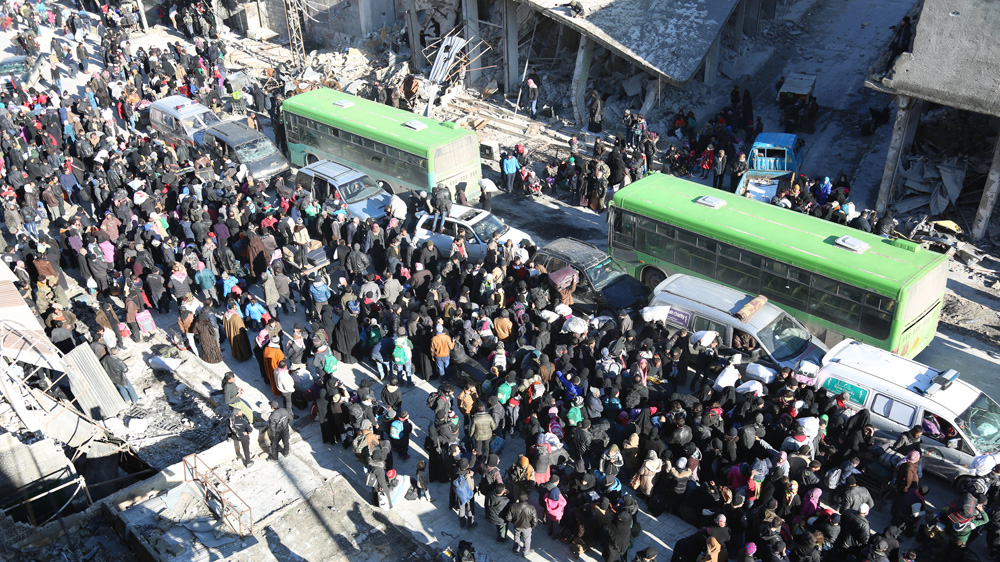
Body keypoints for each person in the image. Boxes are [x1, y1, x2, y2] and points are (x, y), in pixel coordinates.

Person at [504, 491, 538, 556]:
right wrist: (532, 526)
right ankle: (526, 552)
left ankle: (516, 549)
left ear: (518, 499)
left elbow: (508, 518)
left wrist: (514, 522)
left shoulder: (513, 506)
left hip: (517, 525)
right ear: (527, 498)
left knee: (517, 536)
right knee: (527, 539)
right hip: (527, 527)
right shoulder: (531, 508)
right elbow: (535, 521)